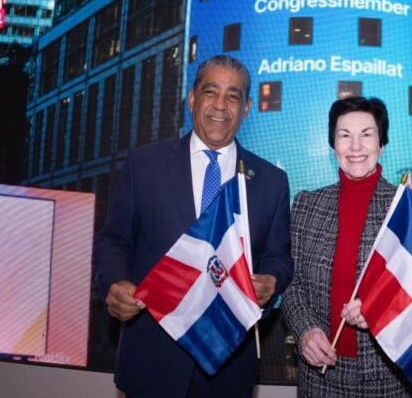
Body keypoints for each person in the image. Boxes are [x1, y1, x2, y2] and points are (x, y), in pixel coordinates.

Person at [93, 55, 292, 397]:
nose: (220, 105)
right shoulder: (145, 164)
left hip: (227, 365)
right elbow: (114, 240)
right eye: (210, 91)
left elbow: (279, 257)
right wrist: (113, 283)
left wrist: (271, 281)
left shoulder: (271, 181)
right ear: (191, 98)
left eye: (233, 96)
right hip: (151, 360)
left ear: (246, 109)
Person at [282, 96, 412, 397]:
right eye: (345, 135)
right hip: (319, 375)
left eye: (367, 135)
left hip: (389, 375)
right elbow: (291, 284)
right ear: (333, 146)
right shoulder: (306, 205)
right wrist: (304, 331)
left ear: (382, 144)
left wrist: (381, 308)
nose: (355, 146)